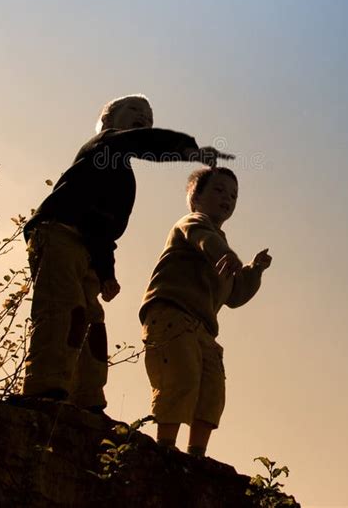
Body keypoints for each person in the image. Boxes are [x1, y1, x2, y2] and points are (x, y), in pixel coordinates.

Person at [19, 94, 233, 414]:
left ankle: (87, 398)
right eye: (134, 111)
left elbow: (105, 232)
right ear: (107, 121)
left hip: (89, 252)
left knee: (92, 323)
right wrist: (187, 148)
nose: (143, 118)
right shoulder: (104, 146)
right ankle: (44, 388)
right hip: (58, 233)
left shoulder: (123, 180)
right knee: (63, 310)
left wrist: (106, 272)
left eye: (149, 116)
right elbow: (140, 141)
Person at [139, 166, 272, 455]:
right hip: (171, 313)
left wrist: (254, 270)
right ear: (195, 198)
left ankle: (196, 454)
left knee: (212, 392)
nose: (228, 198)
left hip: (204, 328)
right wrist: (226, 255)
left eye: (234, 195)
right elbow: (205, 240)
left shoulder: (221, 249)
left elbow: (235, 296)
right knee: (181, 377)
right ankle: (165, 447)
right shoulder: (191, 222)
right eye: (219, 190)